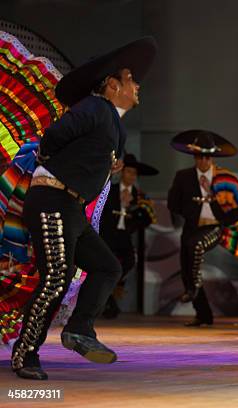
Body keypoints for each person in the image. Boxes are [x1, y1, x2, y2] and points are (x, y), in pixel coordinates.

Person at [9, 36, 157, 380]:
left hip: (71, 208)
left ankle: (79, 330)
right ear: (111, 85)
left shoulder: (113, 123)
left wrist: (108, 164)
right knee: (56, 279)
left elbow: (94, 153)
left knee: (107, 267)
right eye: (131, 80)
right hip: (52, 201)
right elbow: (53, 137)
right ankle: (25, 353)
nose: (137, 86)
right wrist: (51, 158)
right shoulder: (93, 107)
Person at [167, 130, 238, 327]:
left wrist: (226, 221)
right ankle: (203, 314)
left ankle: (193, 289)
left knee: (196, 246)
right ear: (194, 157)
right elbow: (173, 204)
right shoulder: (183, 177)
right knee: (187, 267)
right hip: (192, 226)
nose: (203, 161)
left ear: (212, 157)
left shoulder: (224, 178)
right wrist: (190, 209)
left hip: (214, 227)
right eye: (199, 157)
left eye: (207, 157)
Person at [99, 153, 158, 318]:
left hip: (125, 236)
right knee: (106, 264)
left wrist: (134, 211)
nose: (131, 176)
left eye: (134, 173)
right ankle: (108, 297)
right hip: (108, 235)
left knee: (130, 261)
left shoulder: (140, 196)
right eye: (128, 172)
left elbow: (147, 219)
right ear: (122, 172)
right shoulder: (111, 190)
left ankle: (111, 288)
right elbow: (101, 213)